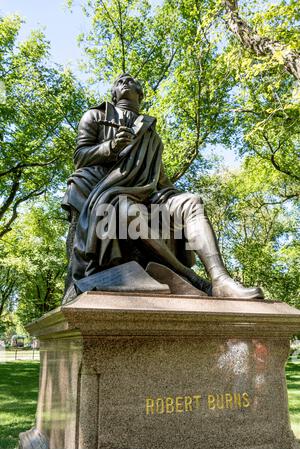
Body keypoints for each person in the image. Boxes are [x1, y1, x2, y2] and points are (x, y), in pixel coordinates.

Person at [62, 73, 263, 300]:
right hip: (109, 193)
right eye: (119, 82)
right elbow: (80, 156)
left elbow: (160, 181)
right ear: (114, 93)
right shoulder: (95, 116)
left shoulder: (152, 136)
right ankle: (191, 279)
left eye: (131, 81)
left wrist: (173, 200)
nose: (125, 81)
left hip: (148, 195)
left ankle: (221, 280)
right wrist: (111, 146)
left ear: (141, 94)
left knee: (192, 202)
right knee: (127, 210)